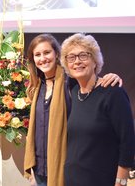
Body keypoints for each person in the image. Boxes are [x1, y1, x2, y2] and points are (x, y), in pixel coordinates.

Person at [23, 34, 122, 186]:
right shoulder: (37, 87)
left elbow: (92, 82)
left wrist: (112, 76)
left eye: (47, 52)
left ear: (57, 54)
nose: (43, 58)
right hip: (40, 170)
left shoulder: (70, 82)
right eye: (37, 55)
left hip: (63, 168)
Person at [60, 33, 135, 186]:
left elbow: (127, 140)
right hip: (73, 179)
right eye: (71, 57)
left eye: (83, 55)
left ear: (95, 61)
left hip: (102, 179)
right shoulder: (73, 93)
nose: (77, 61)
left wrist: (121, 180)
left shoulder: (113, 92)